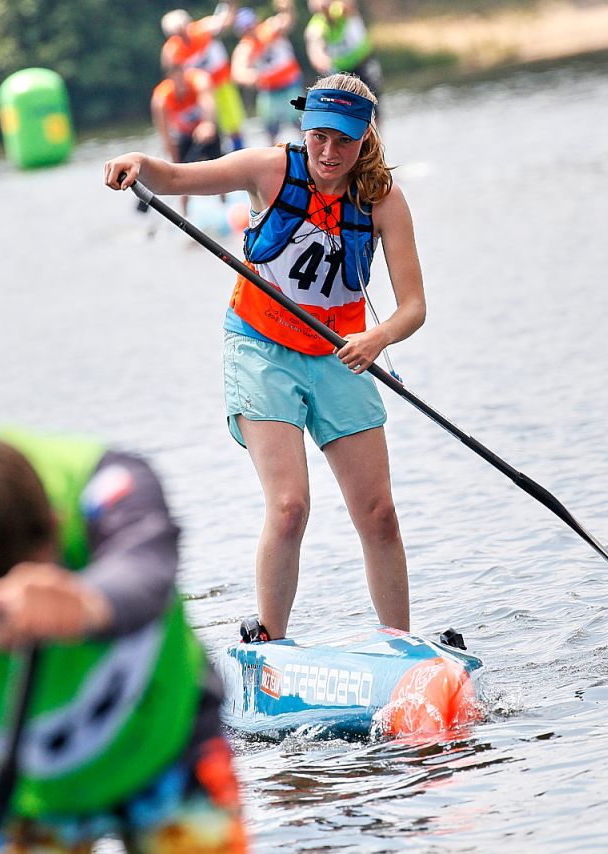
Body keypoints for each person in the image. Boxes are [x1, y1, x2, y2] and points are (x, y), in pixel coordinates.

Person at [104, 73, 425, 642]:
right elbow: (176, 175)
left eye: (344, 141)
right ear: (304, 128)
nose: (329, 153)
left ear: (365, 139)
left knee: (379, 513)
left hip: (342, 353)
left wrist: (377, 340)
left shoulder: (382, 199)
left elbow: (413, 307)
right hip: (261, 348)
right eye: (319, 136)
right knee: (289, 506)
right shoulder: (268, 169)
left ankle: (400, 650)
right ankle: (269, 644)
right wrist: (138, 162)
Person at [0, 428, 246, 853]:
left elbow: (146, 560)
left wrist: (87, 604)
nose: (3, 636)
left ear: (56, 529)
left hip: (167, 748)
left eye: (8, 609)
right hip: (25, 798)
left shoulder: (106, 484)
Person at [161, 5, 246, 152]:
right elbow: (170, 74)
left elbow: (226, 21)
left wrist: (231, 5)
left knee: (233, 124)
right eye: (176, 33)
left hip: (221, 84)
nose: (182, 35)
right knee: (206, 128)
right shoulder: (170, 51)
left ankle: (240, 152)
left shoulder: (204, 28)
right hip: (197, 94)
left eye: (182, 29)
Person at [151, 64, 221, 217]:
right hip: (184, 136)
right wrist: (173, 155)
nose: (180, 85)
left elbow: (208, 101)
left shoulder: (199, 81)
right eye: (175, 81)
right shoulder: (162, 98)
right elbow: (165, 133)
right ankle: (185, 216)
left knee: (220, 166)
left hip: (205, 129)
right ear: (169, 80)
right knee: (179, 175)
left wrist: (207, 123)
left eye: (181, 79)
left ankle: (225, 205)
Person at [230, 1, 304, 144]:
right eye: (245, 29)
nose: (249, 30)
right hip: (270, 89)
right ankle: (274, 156)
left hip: (290, 83)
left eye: (250, 25)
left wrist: (287, 7)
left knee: (300, 121)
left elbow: (288, 20)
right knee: (270, 128)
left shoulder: (270, 28)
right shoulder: (245, 47)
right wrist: (250, 76)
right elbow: (237, 71)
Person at [304, 0, 383, 115]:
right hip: (343, 73)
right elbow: (314, 44)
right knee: (349, 110)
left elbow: (349, 6)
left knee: (374, 106)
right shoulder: (316, 26)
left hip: (363, 63)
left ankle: (375, 131)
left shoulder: (340, 9)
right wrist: (318, 57)